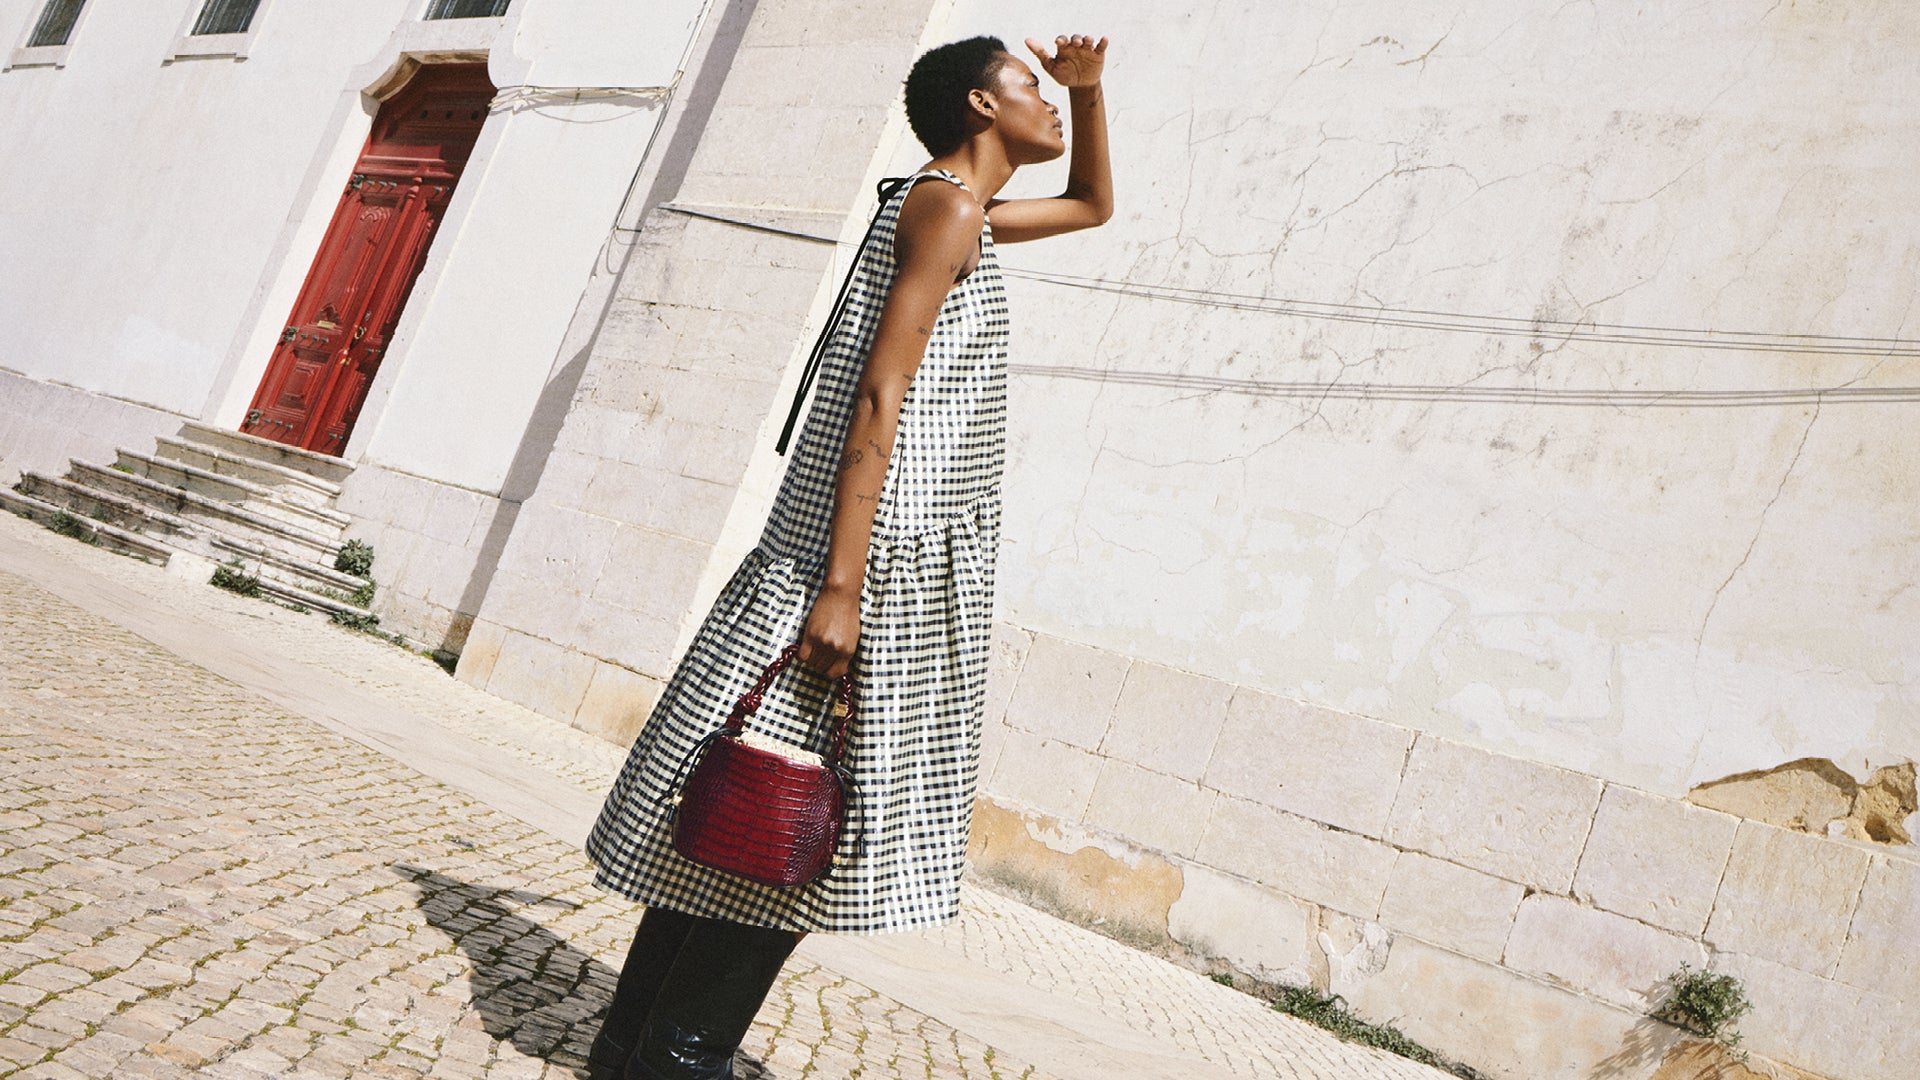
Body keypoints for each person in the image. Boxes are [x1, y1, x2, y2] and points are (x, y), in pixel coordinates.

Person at [582, 31, 1113, 1080]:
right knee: (785, 832)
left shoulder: (962, 213)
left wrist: (1093, 98)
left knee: (746, 810)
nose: (1048, 102)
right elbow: (882, 392)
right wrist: (842, 590)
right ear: (978, 103)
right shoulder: (948, 206)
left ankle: (631, 1048)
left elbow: (1095, 205)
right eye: (1033, 88)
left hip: (879, 557)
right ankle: (676, 1059)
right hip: (874, 564)